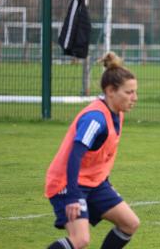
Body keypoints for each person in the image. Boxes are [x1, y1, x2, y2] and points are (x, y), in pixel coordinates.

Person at [45, 52, 140, 249]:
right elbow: (75, 155)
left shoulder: (117, 113)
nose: (134, 98)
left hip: (94, 183)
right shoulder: (95, 118)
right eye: (129, 92)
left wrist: (106, 183)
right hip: (67, 183)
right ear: (110, 91)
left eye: (135, 92)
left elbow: (99, 156)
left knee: (130, 223)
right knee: (80, 240)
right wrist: (72, 196)